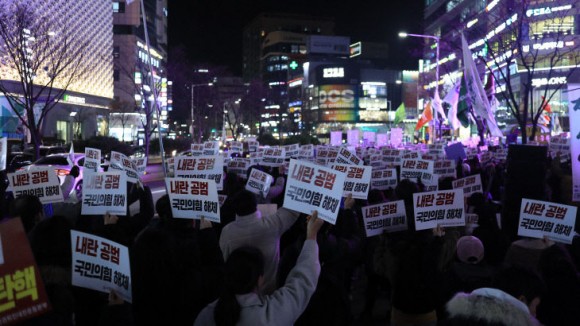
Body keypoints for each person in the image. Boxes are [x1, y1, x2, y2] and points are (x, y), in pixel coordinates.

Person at [194, 211, 324, 326]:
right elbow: (304, 280)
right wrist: (311, 235)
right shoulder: (274, 315)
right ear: (260, 279)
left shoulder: (206, 315)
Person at [219, 189, 300, 294]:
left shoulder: (227, 232)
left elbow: (224, 258)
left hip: (239, 291)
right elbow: (291, 211)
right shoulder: (271, 225)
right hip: (268, 289)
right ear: (255, 205)